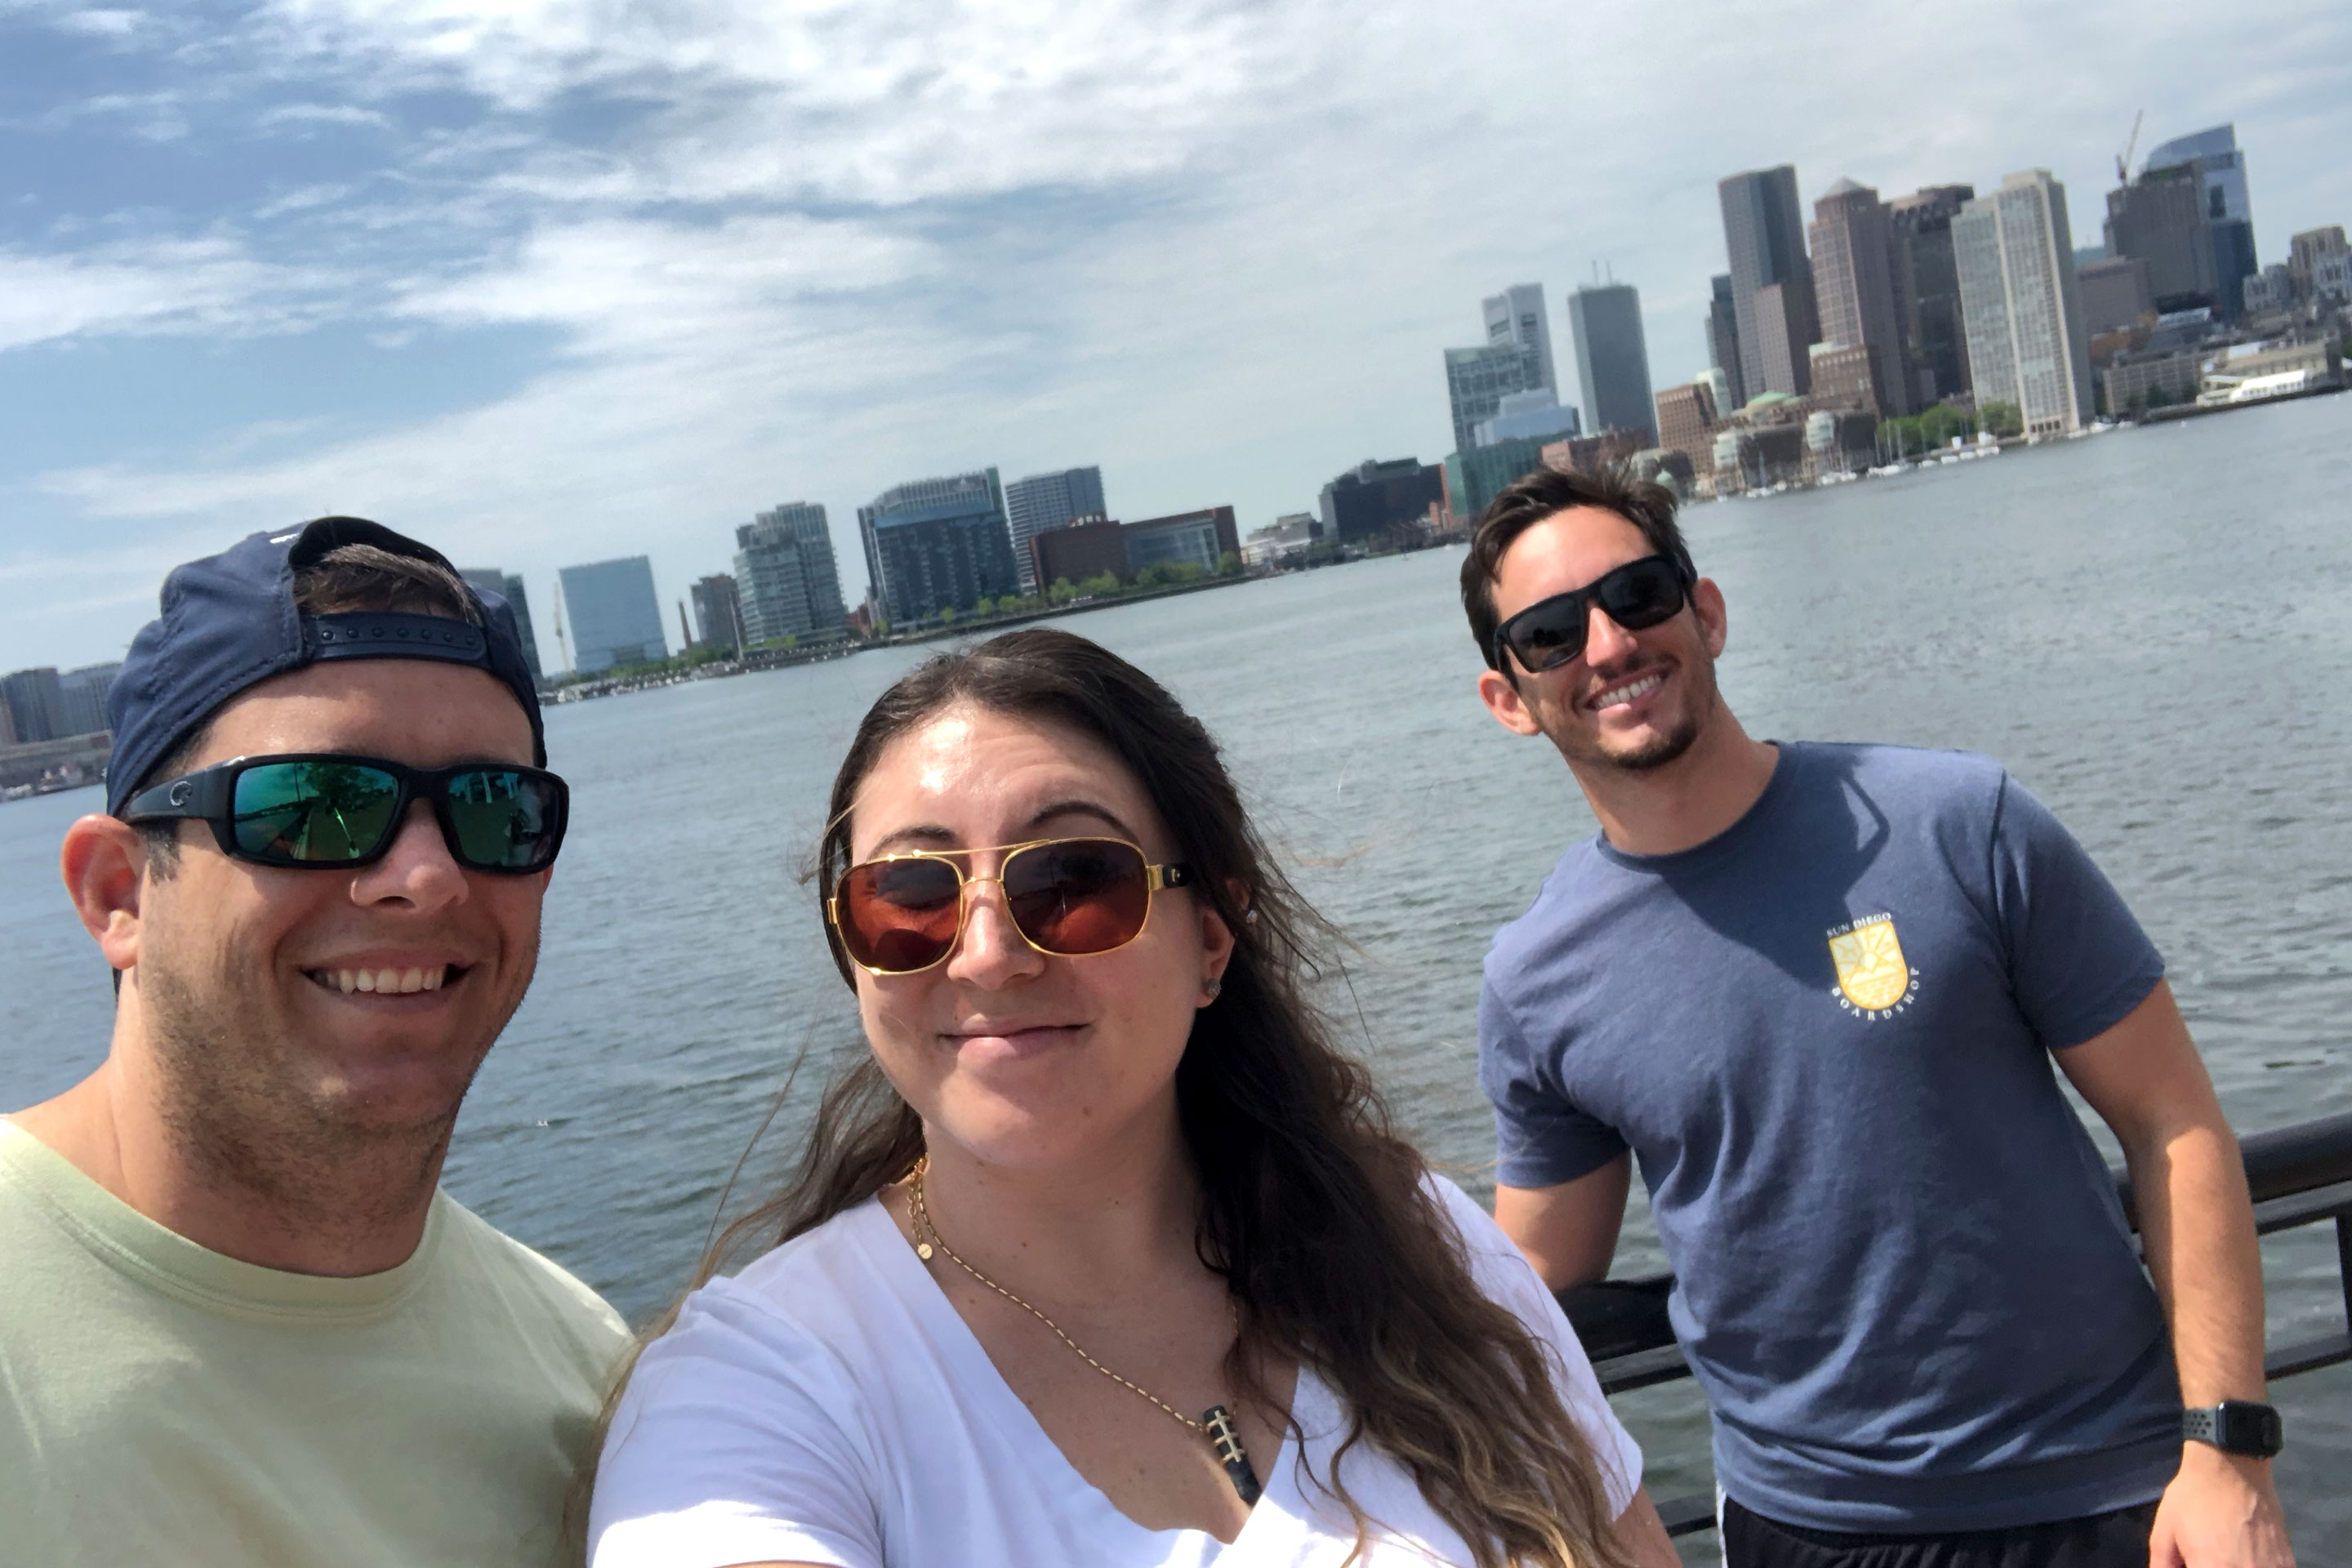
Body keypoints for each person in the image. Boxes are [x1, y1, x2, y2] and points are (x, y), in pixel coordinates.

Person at [588, 628, 1681, 1568]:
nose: (986, 956)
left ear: (1211, 939)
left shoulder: (1423, 1245)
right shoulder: (758, 1389)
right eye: (910, 896)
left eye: (1073, 881)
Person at [1458, 465, 2296, 1568]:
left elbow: (2174, 1123)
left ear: (1706, 614)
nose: (1609, 645)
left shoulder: (1958, 822)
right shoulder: (1535, 978)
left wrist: (2228, 1452)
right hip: (1805, 1529)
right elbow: (1530, 1281)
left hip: (2116, 1491)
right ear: (1509, 699)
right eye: (1552, 634)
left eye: (1639, 595)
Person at [1, 518, 630, 1566]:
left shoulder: (588, 1381)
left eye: (494, 809)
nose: (426, 876)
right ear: (120, 894)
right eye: (315, 806)